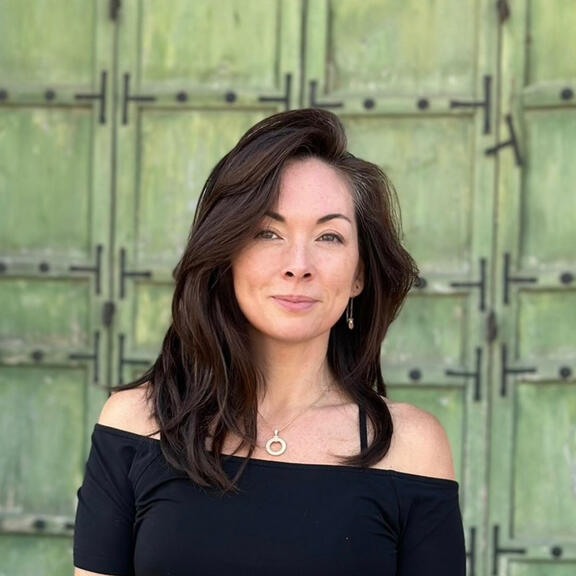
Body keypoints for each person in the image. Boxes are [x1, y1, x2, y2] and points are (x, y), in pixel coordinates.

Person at [73, 108, 466, 575]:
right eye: (268, 232)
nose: (298, 265)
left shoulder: (411, 448)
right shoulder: (137, 425)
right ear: (226, 254)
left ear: (359, 274)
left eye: (329, 236)